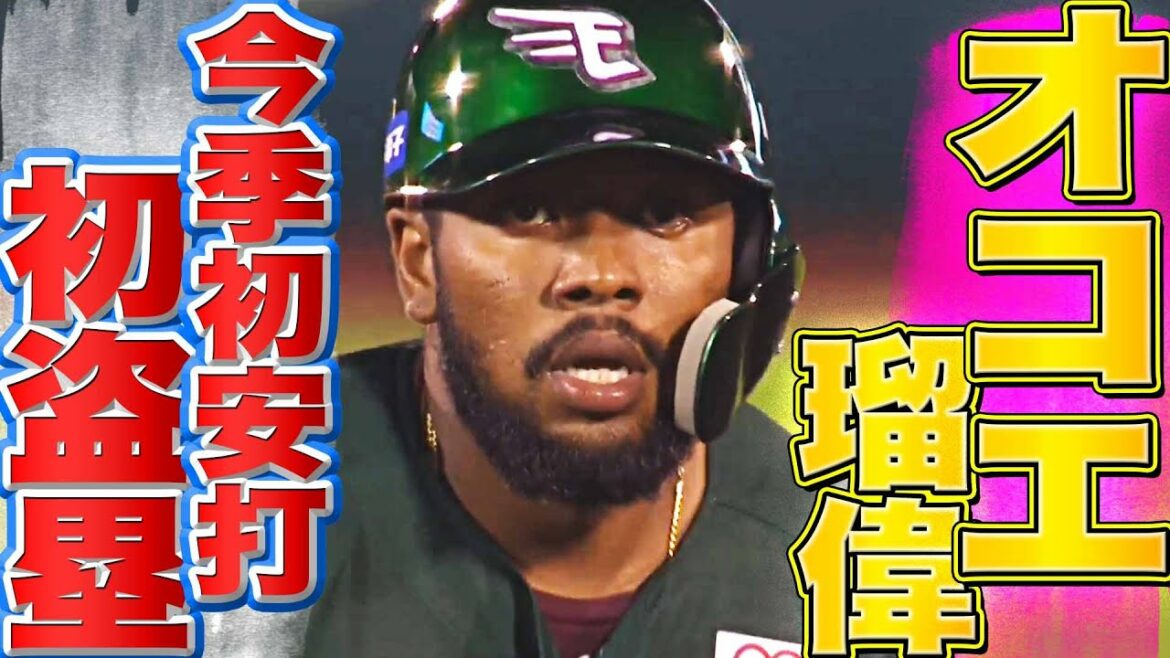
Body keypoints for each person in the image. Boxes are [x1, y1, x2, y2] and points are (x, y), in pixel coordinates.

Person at [297, 1, 810, 656]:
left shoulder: (845, 551)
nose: (602, 275)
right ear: (417, 261)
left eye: (664, 213)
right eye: (529, 209)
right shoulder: (247, 524)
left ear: (747, 262)